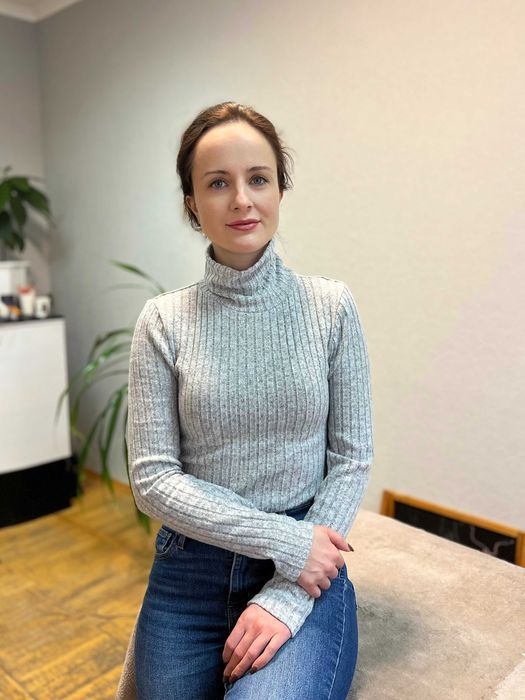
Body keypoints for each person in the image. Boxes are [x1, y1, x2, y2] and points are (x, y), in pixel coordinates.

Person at [126, 101, 374, 699]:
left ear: (280, 189)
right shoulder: (162, 321)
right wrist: (283, 541)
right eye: (218, 183)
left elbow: (351, 459)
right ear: (192, 203)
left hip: (303, 566)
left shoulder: (331, 307)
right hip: (191, 569)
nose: (242, 200)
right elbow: (153, 479)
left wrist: (288, 590)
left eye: (258, 179)